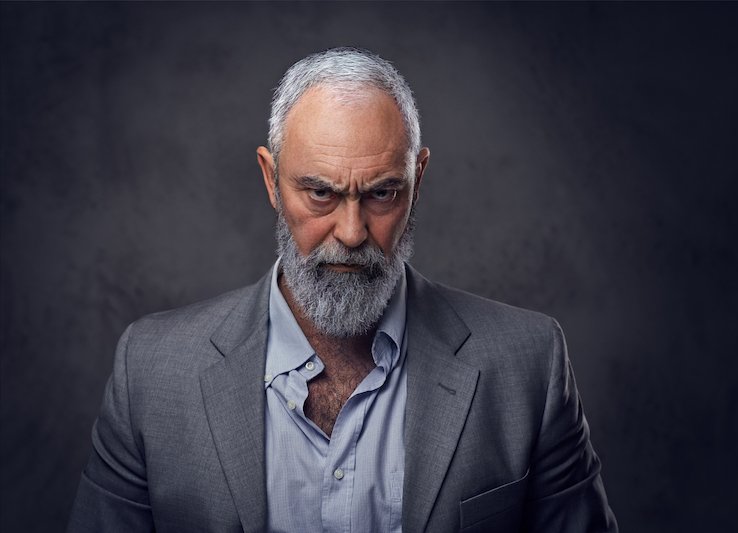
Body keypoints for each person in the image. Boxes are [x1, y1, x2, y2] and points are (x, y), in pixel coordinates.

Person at [68, 47, 617, 533]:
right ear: (270, 180)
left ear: (417, 182)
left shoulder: (528, 366)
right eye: (320, 194)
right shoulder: (151, 372)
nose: (352, 233)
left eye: (381, 194)